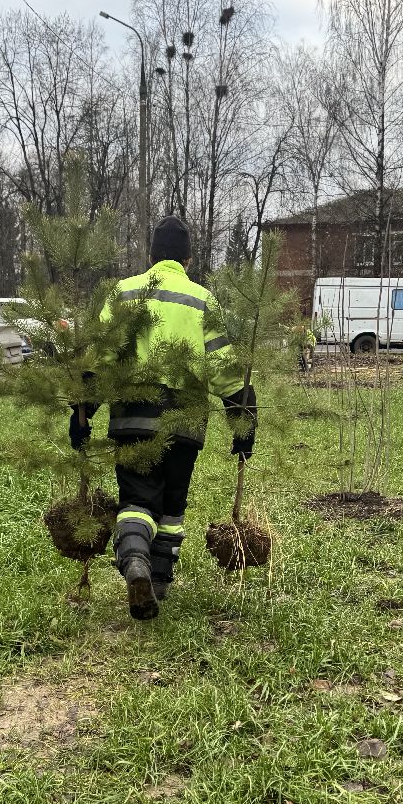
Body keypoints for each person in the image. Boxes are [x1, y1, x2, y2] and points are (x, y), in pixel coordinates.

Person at [69, 216, 257, 621]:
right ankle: (158, 582)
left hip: (132, 416)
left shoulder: (124, 293)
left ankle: (134, 556)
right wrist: (244, 420)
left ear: (151, 256)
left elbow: (100, 359)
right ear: (188, 259)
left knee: (137, 498)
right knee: (172, 503)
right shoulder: (202, 299)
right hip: (186, 420)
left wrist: (82, 413)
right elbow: (224, 365)